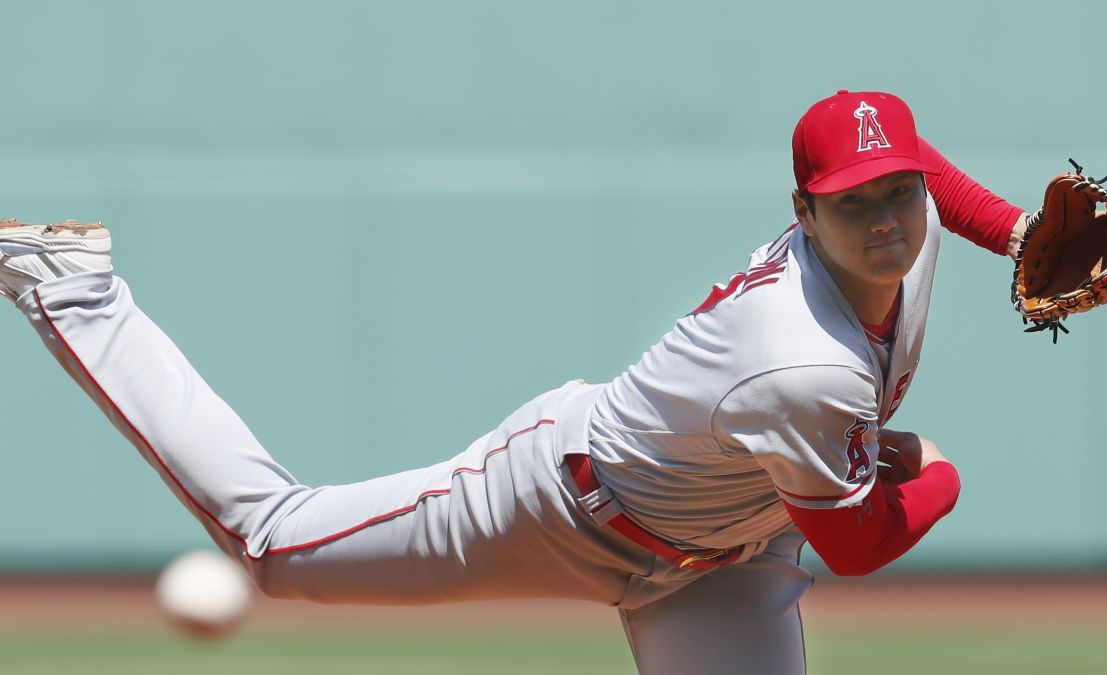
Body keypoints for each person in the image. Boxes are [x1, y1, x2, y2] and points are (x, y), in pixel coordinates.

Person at [0, 90, 1027, 674]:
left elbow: (920, 160)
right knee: (274, 543)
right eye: (857, 205)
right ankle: (78, 292)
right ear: (803, 215)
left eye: (902, 195)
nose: (890, 221)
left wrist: (1017, 232)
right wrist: (939, 475)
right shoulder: (800, 359)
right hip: (559, 506)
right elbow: (856, 544)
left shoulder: (913, 229)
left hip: (729, 561)